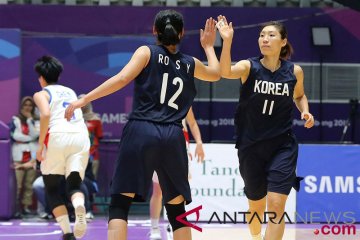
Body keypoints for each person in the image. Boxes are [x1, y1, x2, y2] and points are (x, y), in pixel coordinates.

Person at [65, 9, 220, 240]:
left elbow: (121, 79)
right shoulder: (190, 63)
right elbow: (216, 74)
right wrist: (209, 46)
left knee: (120, 202)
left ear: (155, 31)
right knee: (177, 209)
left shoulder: (146, 52)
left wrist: (86, 99)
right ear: (182, 33)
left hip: (142, 130)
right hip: (174, 134)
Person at [216, 16, 315, 240]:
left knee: (277, 204)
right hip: (251, 146)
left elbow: (299, 96)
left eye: (271, 35)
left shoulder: (294, 71)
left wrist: (305, 110)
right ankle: (255, 236)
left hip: (282, 145)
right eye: (262, 35)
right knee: (256, 206)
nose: (265, 39)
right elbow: (224, 72)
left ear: (283, 42)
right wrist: (227, 42)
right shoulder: (248, 67)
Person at [33, 56, 90, 240]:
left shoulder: (41, 93)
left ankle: (67, 233)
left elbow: (46, 114)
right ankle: (79, 205)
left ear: (41, 77)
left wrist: (40, 145)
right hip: (80, 136)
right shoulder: (70, 91)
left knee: (51, 189)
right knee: (74, 185)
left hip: (57, 136)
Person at [149, 107, 205, 240]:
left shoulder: (183, 94)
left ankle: (174, 223)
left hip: (180, 142)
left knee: (179, 191)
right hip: (159, 140)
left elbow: (192, 122)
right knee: (158, 190)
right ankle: (154, 227)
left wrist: (199, 143)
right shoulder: (156, 96)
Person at [10, 96, 39, 217]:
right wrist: (30, 138)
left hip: (31, 156)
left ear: (33, 107)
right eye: (25, 105)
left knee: (29, 184)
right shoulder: (15, 119)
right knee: (18, 184)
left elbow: (36, 134)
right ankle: (14, 207)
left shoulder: (36, 120)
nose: (27, 107)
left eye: (30, 105)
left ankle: (26, 207)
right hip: (18, 156)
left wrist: (29, 121)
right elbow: (16, 136)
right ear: (21, 106)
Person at [78, 94, 103, 179]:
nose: (82, 106)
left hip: (92, 154)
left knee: (92, 180)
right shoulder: (73, 119)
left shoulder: (95, 119)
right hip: (77, 154)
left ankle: (92, 193)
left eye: (84, 103)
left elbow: (100, 136)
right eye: (79, 103)